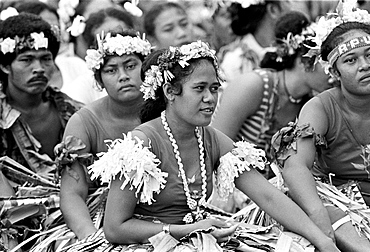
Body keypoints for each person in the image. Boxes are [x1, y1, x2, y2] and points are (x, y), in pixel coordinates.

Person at [79, 41, 340, 252]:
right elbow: (115, 228)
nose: (210, 98)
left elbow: (269, 197)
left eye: (214, 88)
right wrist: (183, 231)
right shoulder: (141, 144)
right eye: (199, 88)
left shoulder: (211, 138)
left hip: (198, 237)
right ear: (170, 92)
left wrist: (322, 240)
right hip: (148, 244)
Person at [34, 30, 152, 252]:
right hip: (100, 218)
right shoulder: (84, 122)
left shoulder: (169, 111)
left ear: (146, 69)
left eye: (130, 66)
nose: (123, 76)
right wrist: (92, 239)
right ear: (99, 80)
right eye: (111, 70)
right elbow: (72, 193)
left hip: (164, 215)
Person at [271, 0, 370, 251]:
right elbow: (295, 167)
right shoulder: (320, 108)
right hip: (340, 210)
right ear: (334, 73)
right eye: (350, 60)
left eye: (369, 55)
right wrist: (320, 226)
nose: (365, 65)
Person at [211, 11, 331, 176]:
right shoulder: (252, 86)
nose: (333, 73)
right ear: (303, 61)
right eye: (327, 64)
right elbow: (213, 148)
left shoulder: (310, 105)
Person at [0, 13, 82, 251]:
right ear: (5, 65)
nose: (39, 69)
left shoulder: (75, 112)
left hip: (72, 219)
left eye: (45, 58)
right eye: (26, 60)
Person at [61, 7, 136, 104]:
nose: (115, 47)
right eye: (105, 40)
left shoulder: (154, 75)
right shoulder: (81, 87)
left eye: (122, 36)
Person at [218, 0, 291, 93]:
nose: (292, 8)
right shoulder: (235, 60)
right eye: (288, 1)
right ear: (273, 10)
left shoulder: (292, 52)